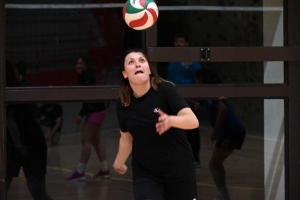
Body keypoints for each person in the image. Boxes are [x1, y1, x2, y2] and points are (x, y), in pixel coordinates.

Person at [113, 49, 199, 200]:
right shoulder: (123, 104)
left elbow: (193, 121)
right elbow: (126, 139)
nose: (138, 64)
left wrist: (172, 120)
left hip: (179, 170)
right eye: (131, 62)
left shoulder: (165, 90)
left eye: (142, 60)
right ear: (124, 74)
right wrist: (119, 162)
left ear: (149, 69)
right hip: (146, 172)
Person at [194, 68, 246, 200]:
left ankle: (224, 196)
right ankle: (223, 194)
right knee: (216, 164)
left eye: (197, 79)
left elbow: (222, 109)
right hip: (232, 131)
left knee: (213, 164)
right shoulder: (210, 92)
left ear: (202, 80)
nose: (195, 82)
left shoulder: (211, 92)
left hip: (230, 131)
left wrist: (215, 131)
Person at [5, 59, 52, 200]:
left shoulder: (10, 92)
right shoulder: (17, 88)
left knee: (38, 192)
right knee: (38, 193)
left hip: (25, 143)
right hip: (25, 142)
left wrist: (18, 144)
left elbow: (11, 121)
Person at [67, 55, 110, 181]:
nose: (78, 65)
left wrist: (81, 114)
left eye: (81, 63)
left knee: (85, 141)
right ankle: (105, 170)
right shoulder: (84, 76)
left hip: (95, 111)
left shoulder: (87, 77)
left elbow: (89, 100)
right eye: (77, 63)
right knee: (96, 141)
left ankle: (80, 172)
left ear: (85, 65)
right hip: (99, 111)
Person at [167, 33, 202, 167]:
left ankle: (195, 159)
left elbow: (198, 78)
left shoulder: (191, 60)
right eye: (177, 41)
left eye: (181, 41)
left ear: (186, 44)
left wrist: (197, 99)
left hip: (188, 99)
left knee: (191, 130)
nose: (179, 44)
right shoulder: (171, 58)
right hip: (173, 99)